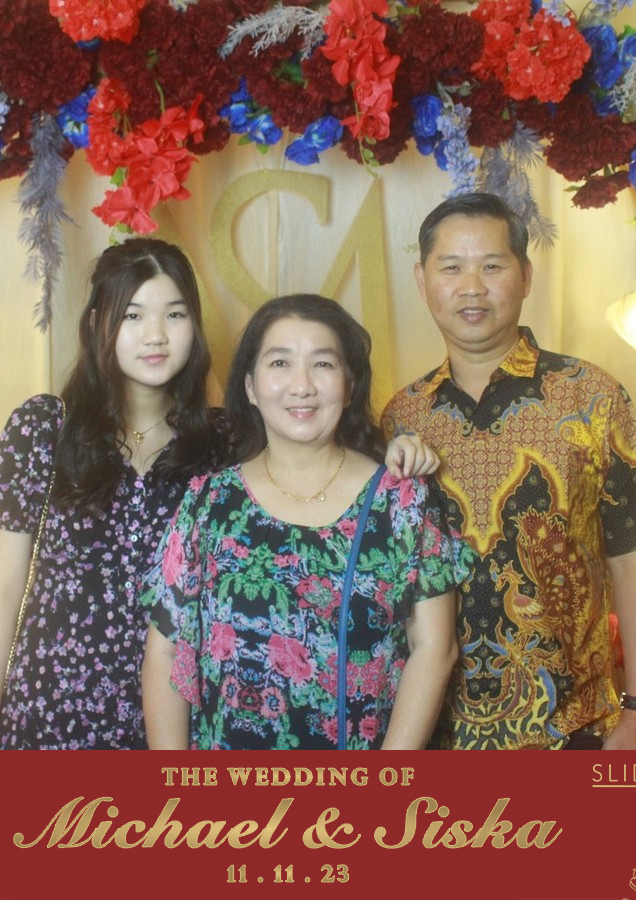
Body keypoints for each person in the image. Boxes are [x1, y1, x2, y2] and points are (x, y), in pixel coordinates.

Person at [381, 193, 636, 750]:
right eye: (451, 268)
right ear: (422, 281)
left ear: (525, 276)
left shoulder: (591, 396)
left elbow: (635, 555)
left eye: (492, 266)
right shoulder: (402, 415)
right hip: (432, 734)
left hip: (572, 728)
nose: (472, 287)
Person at [142, 294, 468, 750]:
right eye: (280, 363)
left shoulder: (402, 502)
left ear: (349, 385)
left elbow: (435, 650)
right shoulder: (209, 503)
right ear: (250, 387)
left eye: (323, 364)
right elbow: (165, 650)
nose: (302, 386)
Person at [0, 237, 219, 749]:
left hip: (176, 725)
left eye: (174, 315)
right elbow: (1, 589)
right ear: (99, 322)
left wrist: (390, 453)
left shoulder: (222, 444)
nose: (156, 335)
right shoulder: (44, 429)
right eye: (132, 316)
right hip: (50, 717)